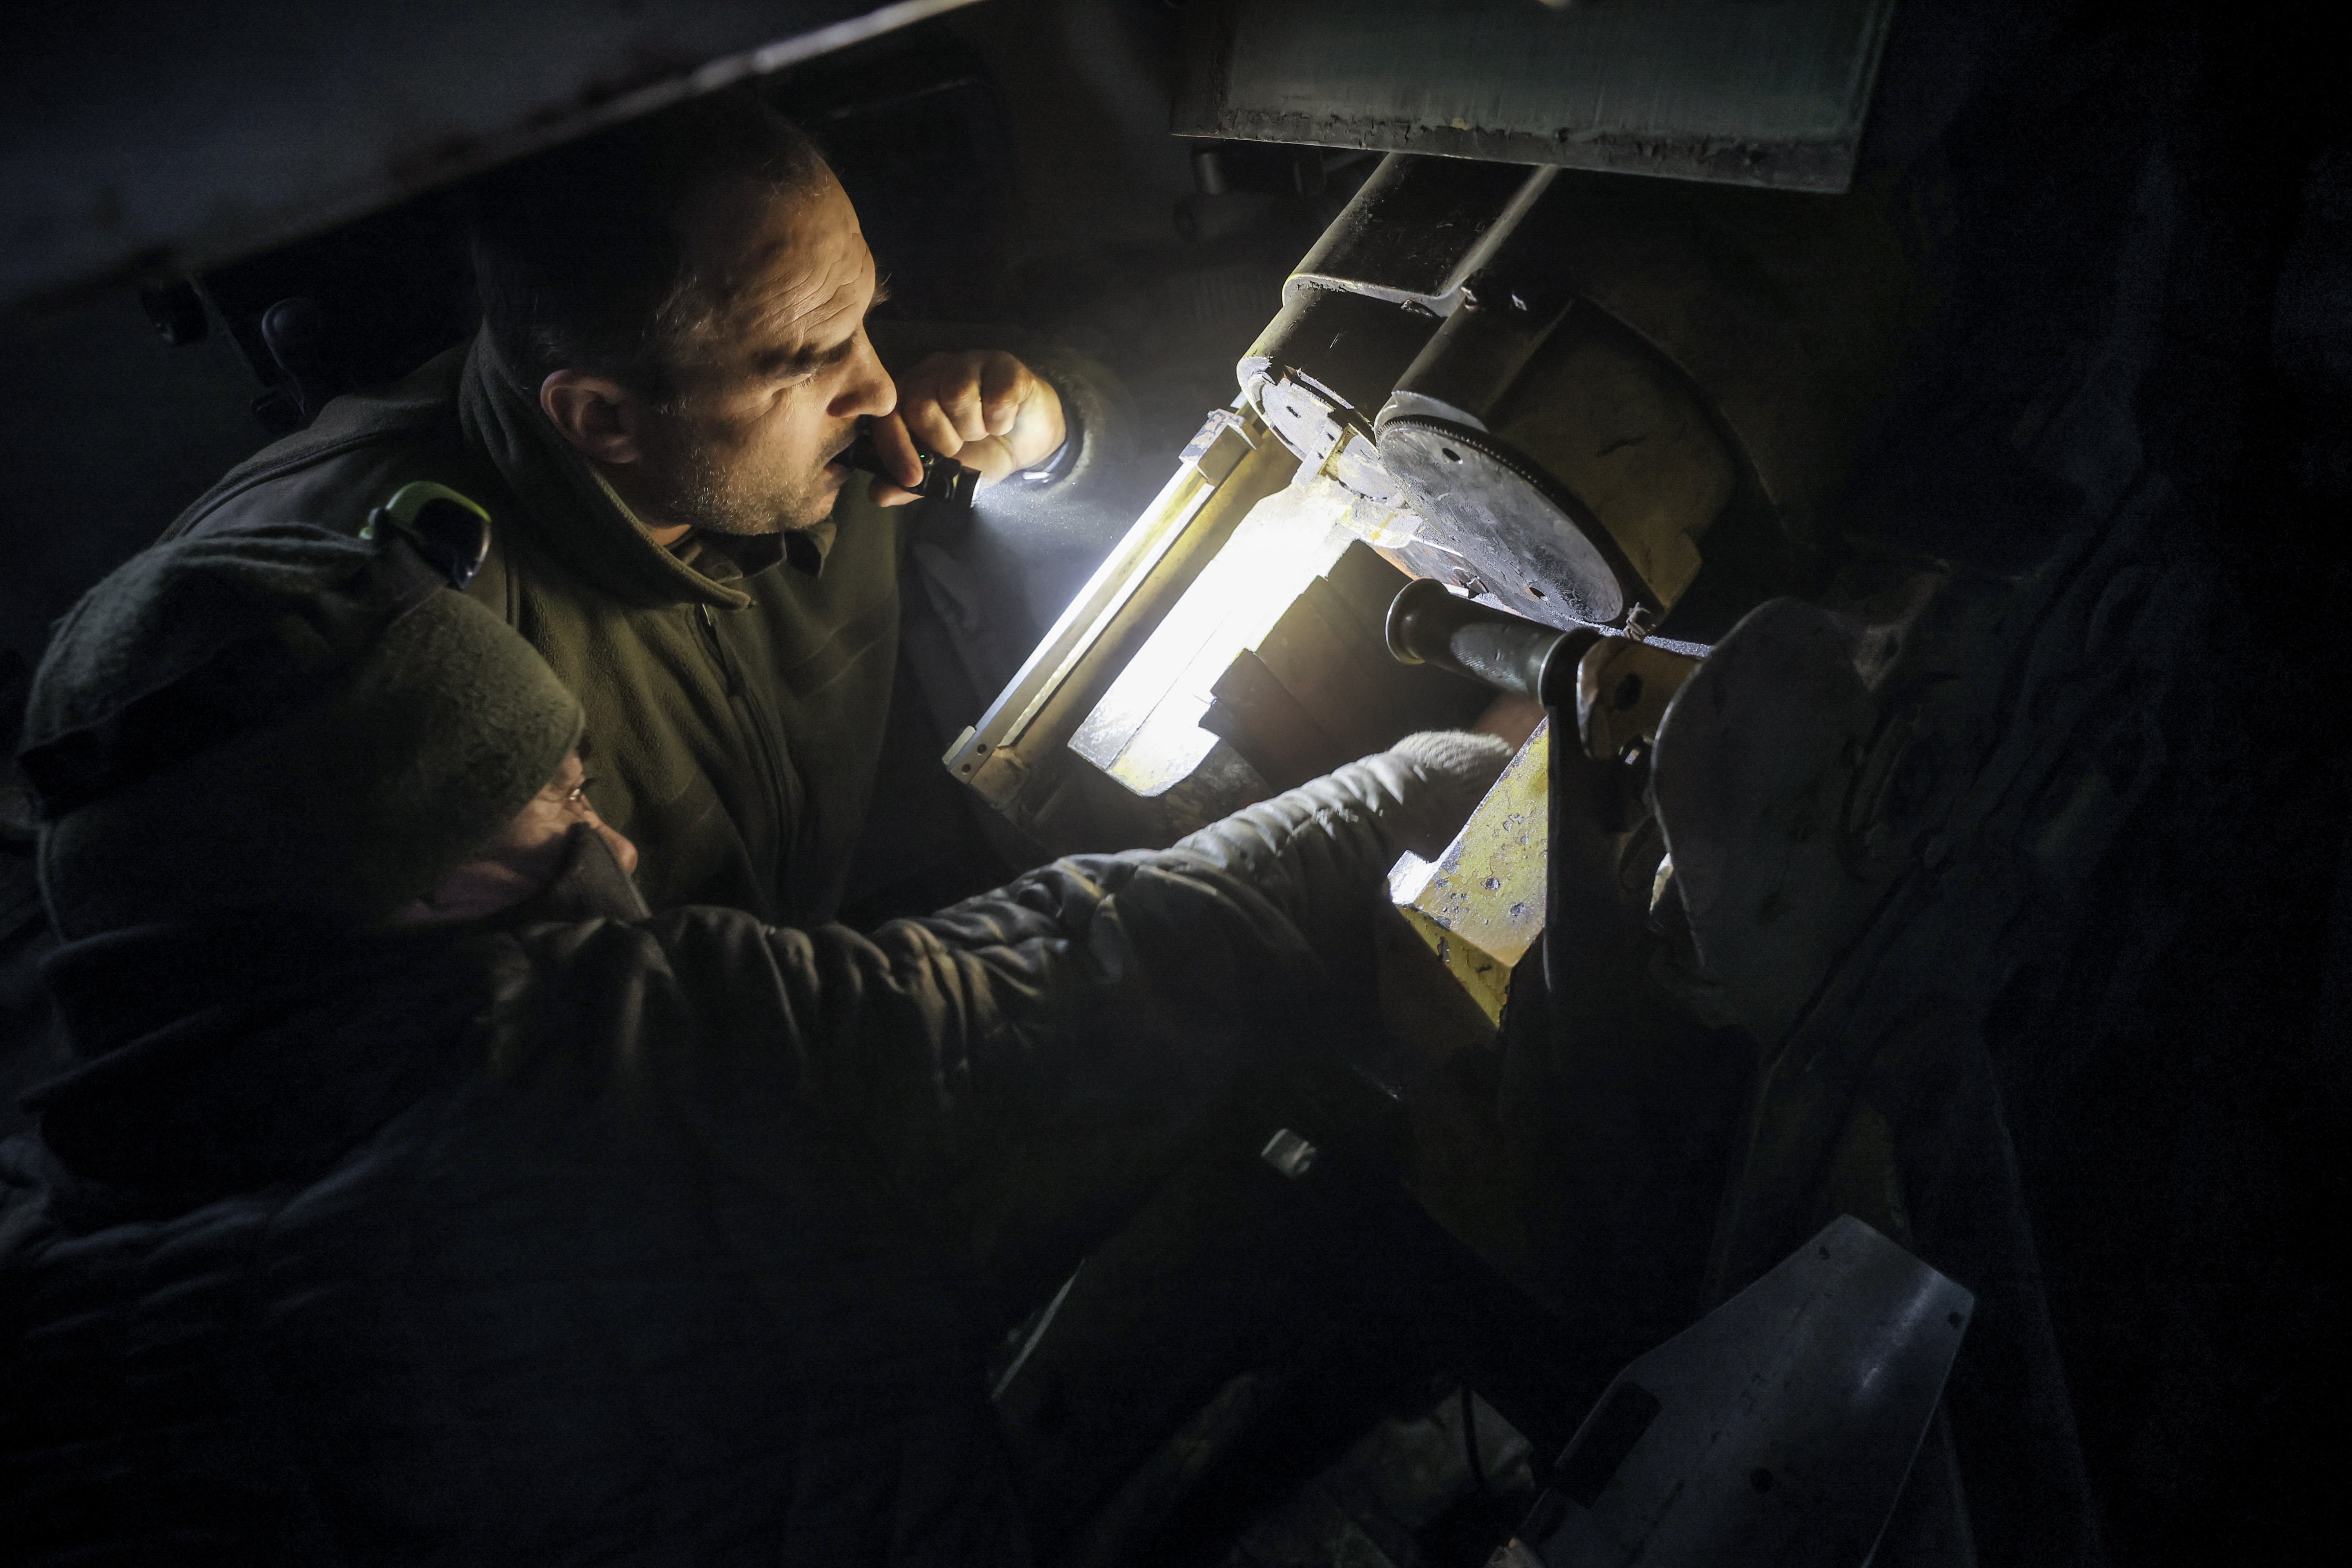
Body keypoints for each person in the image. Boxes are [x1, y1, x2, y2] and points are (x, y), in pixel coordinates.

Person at [0, 526, 1512, 1564]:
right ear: (428, 872)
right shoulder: (625, 1078)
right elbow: (1107, 967)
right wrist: (1467, 765)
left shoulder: (72, 1271)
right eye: (566, 801)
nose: (621, 847)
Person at [165, 90, 1108, 924]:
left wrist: (1050, 427)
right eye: (813, 362)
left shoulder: (768, 366)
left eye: (866, 319)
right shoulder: (380, 621)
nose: (875, 388)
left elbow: (1096, 401)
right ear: (603, 417)